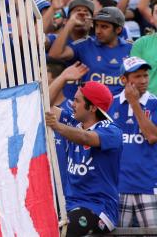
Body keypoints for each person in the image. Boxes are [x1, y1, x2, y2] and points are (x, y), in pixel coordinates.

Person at [45, 81, 123, 236]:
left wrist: (58, 126)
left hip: (99, 209)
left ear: (93, 107)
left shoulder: (112, 131)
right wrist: (64, 77)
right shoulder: (74, 123)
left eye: (77, 101)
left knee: (61, 232)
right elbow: (45, 105)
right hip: (68, 206)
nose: (72, 104)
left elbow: (86, 138)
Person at [108, 56, 157, 228]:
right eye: (137, 77)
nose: (143, 80)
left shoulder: (155, 103)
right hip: (117, 187)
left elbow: (152, 136)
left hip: (148, 186)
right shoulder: (109, 105)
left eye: (145, 75)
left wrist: (134, 103)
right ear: (124, 80)